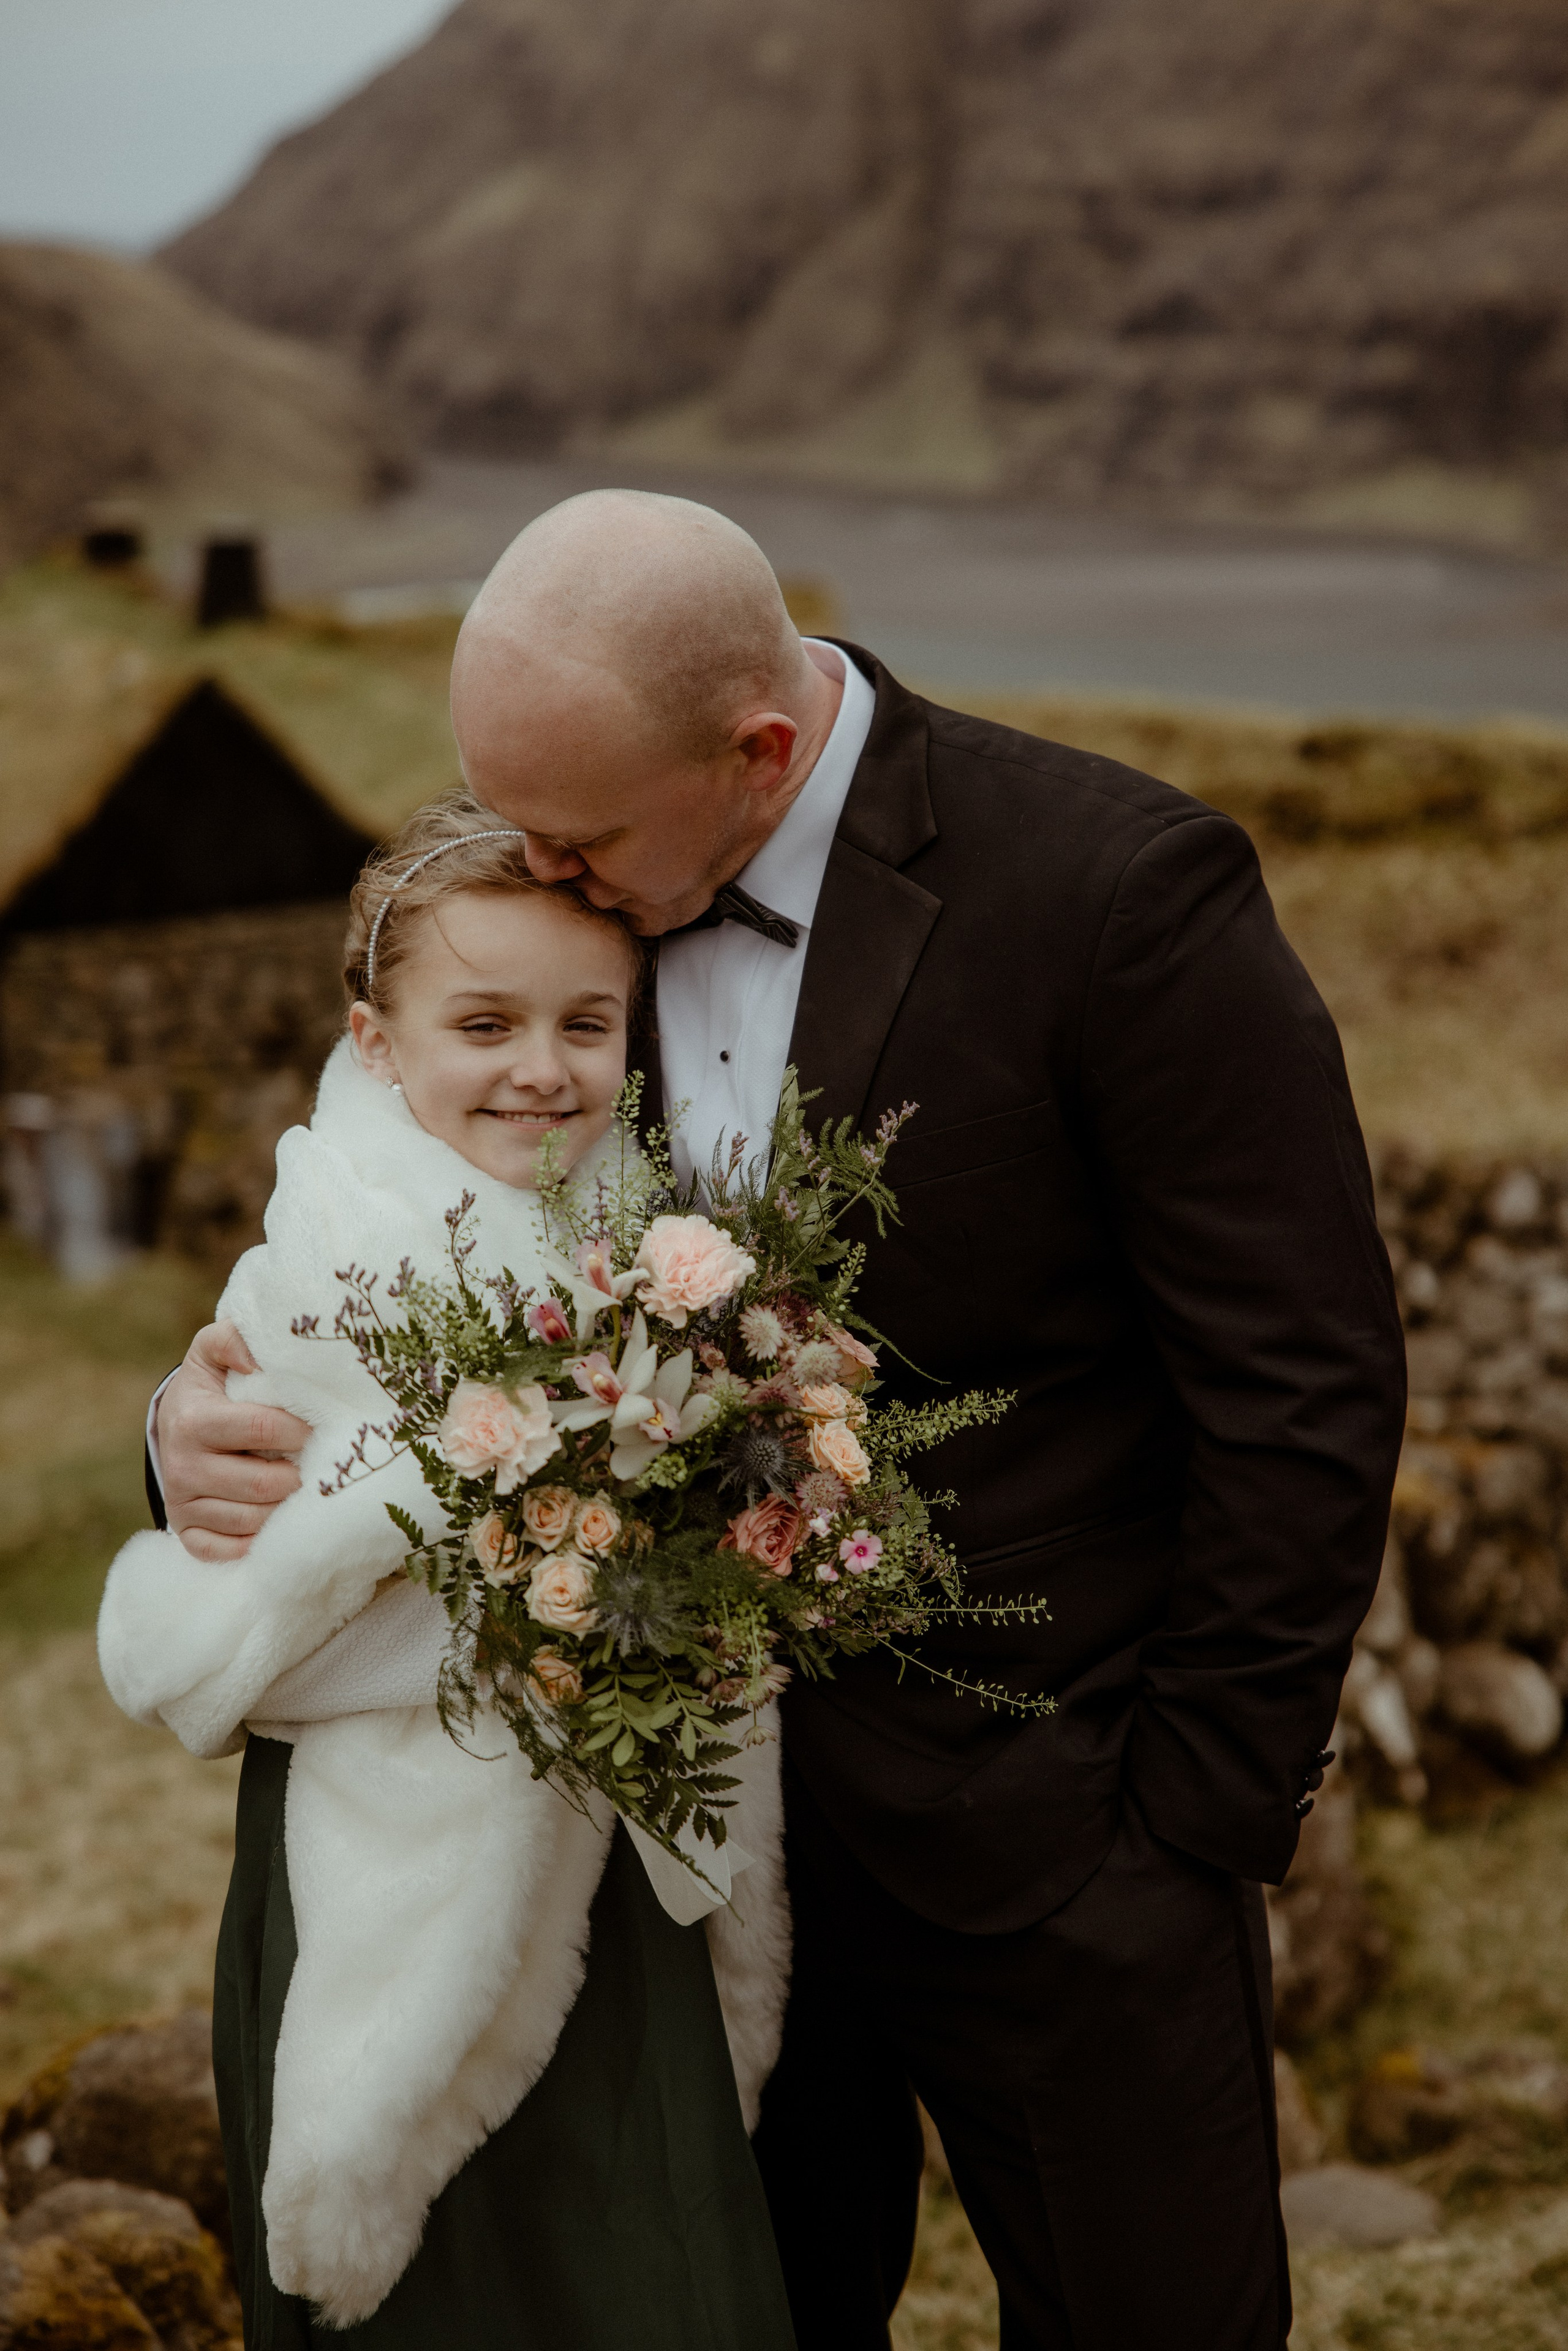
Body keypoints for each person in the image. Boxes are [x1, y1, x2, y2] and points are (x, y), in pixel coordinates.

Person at [151, 491, 1408, 2350]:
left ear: (757, 751)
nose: (550, 876)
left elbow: (1303, 1373)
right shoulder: (578, 904)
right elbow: (385, 1227)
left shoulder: (1118, 893)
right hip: (688, 1863)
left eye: (582, 835)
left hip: (1065, 1847)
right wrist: (191, 1418)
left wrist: (1188, 1820)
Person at [106, 798, 795, 2351]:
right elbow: (263, 1601)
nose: (540, 1066)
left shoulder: (645, 1224)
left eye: (584, 1021)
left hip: (624, 1852)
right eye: (482, 1021)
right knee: (459, 2283)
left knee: (650, 2265)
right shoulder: (324, 1266)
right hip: (411, 1848)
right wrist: (546, 1597)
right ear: (378, 1036)